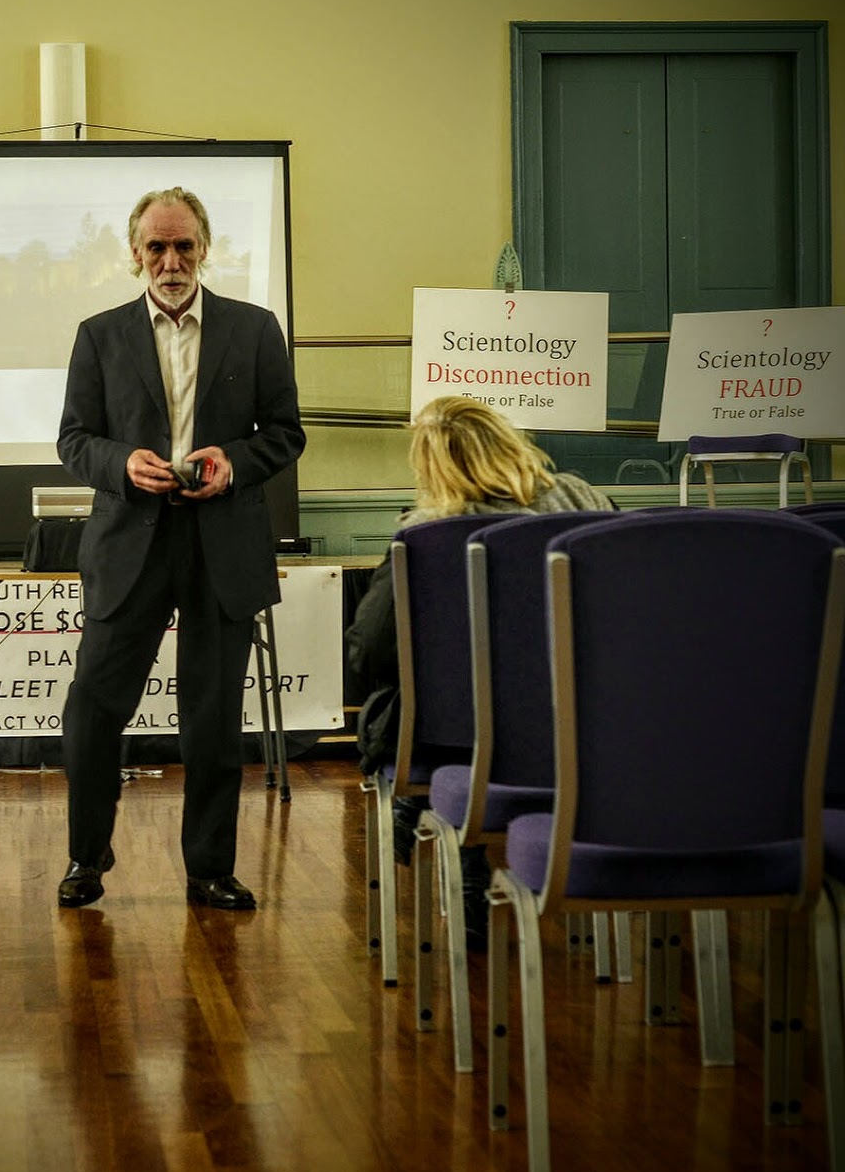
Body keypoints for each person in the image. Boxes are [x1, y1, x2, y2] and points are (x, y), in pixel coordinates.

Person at [55, 187, 305, 911]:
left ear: (205, 248)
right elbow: (74, 440)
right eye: (157, 247)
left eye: (184, 246)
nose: (171, 260)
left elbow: (286, 433)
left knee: (213, 719)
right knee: (93, 711)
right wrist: (121, 466)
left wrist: (234, 462)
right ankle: (86, 857)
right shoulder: (98, 335)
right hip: (129, 545)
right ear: (135, 254)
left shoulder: (255, 330)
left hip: (221, 546)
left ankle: (209, 870)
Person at [344, 394, 615, 940]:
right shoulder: (587, 504)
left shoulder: (425, 532)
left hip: (461, 736)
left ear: (431, 465)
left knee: (424, 695)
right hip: (587, 732)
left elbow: (369, 650)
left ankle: (443, 829)